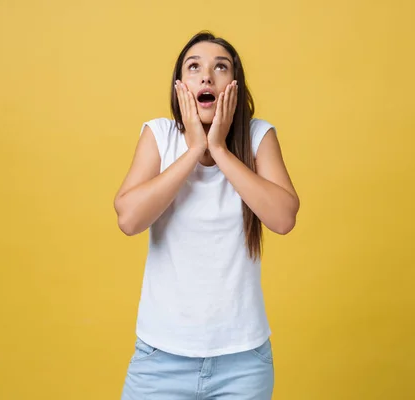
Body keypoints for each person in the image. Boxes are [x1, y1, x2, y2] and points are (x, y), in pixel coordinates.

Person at [114, 30, 300, 400]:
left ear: (234, 84)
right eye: (194, 66)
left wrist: (218, 148)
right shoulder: (160, 135)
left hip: (242, 364)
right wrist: (194, 149)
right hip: (159, 360)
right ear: (181, 85)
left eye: (221, 67)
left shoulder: (259, 137)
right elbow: (129, 219)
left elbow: (283, 218)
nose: (207, 76)